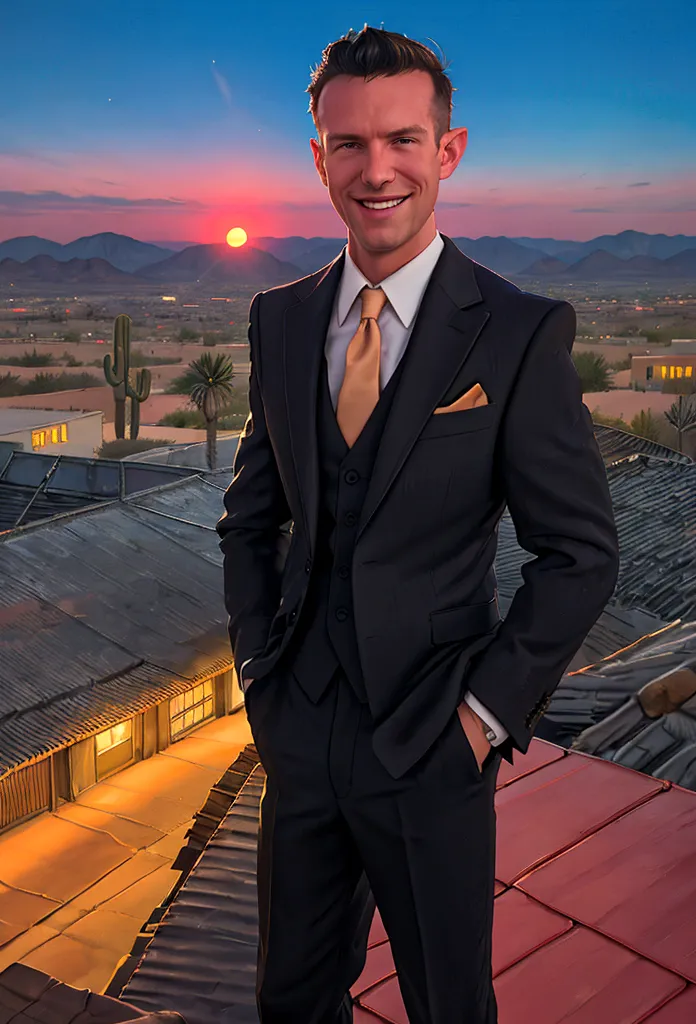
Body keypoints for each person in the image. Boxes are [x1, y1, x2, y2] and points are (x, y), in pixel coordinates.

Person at [216, 25, 620, 1024]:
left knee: (450, 1004)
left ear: (449, 150)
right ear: (319, 159)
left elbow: (580, 553)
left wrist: (480, 721)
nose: (376, 168)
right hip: (300, 730)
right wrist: (262, 679)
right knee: (290, 999)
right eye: (348, 144)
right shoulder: (280, 319)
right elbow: (248, 522)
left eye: (402, 139)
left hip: (433, 742)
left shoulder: (519, 330)